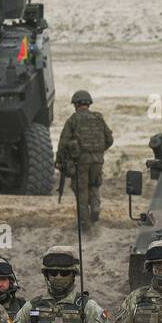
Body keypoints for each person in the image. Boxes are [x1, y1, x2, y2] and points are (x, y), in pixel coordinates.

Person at [55, 90, 114, 224]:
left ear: (76, 104)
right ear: (89, 103)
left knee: (81, 192)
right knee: (94, 186)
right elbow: (109, 139)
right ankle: (95, 208)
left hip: (81, 162)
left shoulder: (73, 119)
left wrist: (59, 161)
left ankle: (84, 224)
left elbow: (63, 143)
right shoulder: (98, 118)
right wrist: (98, 151)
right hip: (98, 161)